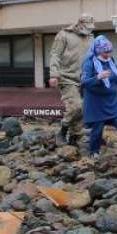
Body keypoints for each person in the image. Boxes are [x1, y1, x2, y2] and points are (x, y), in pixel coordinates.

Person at [80, 35, 117, 158]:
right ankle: (94, 151)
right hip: (96, 102)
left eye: (110, 51)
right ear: (99, 50)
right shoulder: (88, 63)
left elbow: (115, 76)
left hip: (112, 99)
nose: (108, 54)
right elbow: (84, 83)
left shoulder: (111, 61)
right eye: (106, 52)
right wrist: (98, 77)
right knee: (98, 128)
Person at [48, 13, 95, 146]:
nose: (89, 29)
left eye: (91, 27)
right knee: (76, 106)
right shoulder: (63, 35)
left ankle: (74, 138)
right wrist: (54, 74)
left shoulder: (91, 37)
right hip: (66, 77)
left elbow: (94, 58)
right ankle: (62, 131)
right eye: (87, 26)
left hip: (84, 79)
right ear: (79, 24)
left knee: (82, 109)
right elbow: (55, 55)